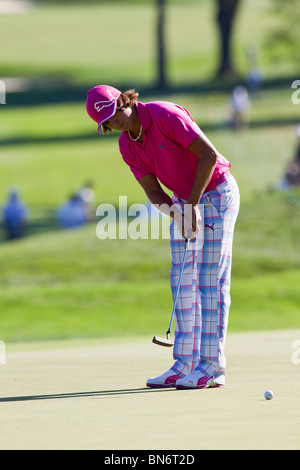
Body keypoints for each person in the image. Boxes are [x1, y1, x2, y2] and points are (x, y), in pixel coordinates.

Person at [86, 85, 240, 390]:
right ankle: (185, 363)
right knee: (182, 281)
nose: (115, 120)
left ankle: (211, 366)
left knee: (210, 279)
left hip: (217, 193)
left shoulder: (165, 114)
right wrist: (178, 213)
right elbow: (154, 192)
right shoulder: (127, 146)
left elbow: (208, 156)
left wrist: (192, 204)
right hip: (185, 200)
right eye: (107, 121)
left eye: (115, 111)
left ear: (124, 100)